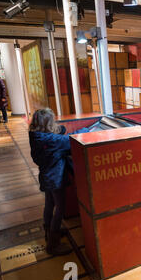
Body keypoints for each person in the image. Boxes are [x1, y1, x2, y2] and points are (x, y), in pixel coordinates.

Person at [29, 108, 89, 256]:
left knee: (49, 204)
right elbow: (71, 140)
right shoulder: (52, 140)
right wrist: (88, 129)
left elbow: (60, 132)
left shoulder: (37, 136)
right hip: (55, 178)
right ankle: (53, 244)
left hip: (46, 176)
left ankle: (48, 231)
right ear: (49, 123)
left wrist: (60, 130)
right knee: (60, 208)